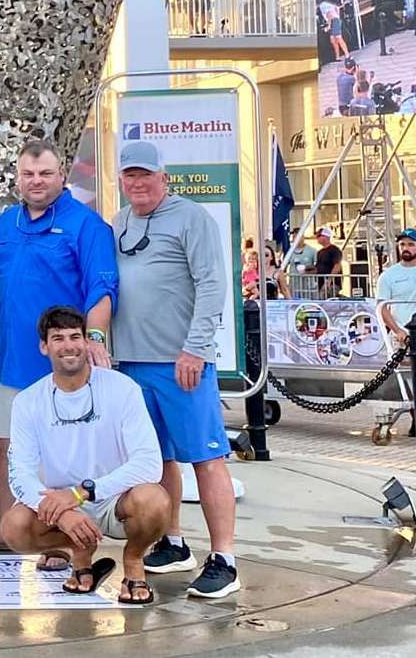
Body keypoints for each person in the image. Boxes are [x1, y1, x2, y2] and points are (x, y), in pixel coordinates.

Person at [0, 138, 116, 564]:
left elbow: (101, 290)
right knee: (2, 444)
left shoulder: (87, 226)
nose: (36, 181)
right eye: (28, 174)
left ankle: (59, 538)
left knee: (58, 451)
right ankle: (7, 525)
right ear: (17, 178)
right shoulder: (6, 224)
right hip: (10, 360)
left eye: (45, 173)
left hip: (62, 364)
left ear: (61, 176)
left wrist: (95, 339)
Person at [108, 141, 239, 599]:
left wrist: (195, 349)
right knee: (156, 459)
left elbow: (212, 284)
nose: (138, 183)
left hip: (181, 362)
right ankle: (174, 541)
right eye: (129, 176)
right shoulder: (120, 220)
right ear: (121, 180)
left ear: (164, 176)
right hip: (132, 363)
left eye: (146, 175)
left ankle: (224, 557)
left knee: (206, 457)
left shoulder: (192, 218)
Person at [0, 306, 167, 605]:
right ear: (44, 346)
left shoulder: (122, 388)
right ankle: (80, 553)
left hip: (116, 499)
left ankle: (133, 560)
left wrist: (81, 493)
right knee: (13, 527)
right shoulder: (27, 401)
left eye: (75, 336)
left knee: (155, 500)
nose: (68, 346)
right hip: (61, 503)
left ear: (86, 342)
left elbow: (149, 463)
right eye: (58, 338)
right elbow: (19, 473)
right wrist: (61, 512)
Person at [310, 226, 344, 298]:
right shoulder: (319, 252)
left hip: (332, 283)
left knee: (325, 298)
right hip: (321, 283)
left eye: (319, 236)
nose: (317, 238)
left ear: (326, 236)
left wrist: (330, 280)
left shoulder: (335, 250)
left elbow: (337, 265)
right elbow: (318, 267)